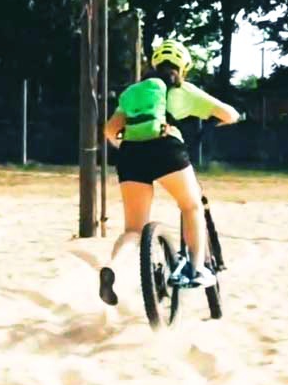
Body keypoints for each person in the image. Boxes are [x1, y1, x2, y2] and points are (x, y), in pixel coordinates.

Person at [99, 38, 241, 303]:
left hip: (131, 154)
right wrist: (215, 123)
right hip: (167, 149)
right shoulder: (183, 90)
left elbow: (109, 129)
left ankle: (111, 269)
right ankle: (196, 268)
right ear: (182, 67)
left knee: (133, 229)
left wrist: (127, 144)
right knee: (191, 206)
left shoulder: (134, 93)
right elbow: (230, 114)